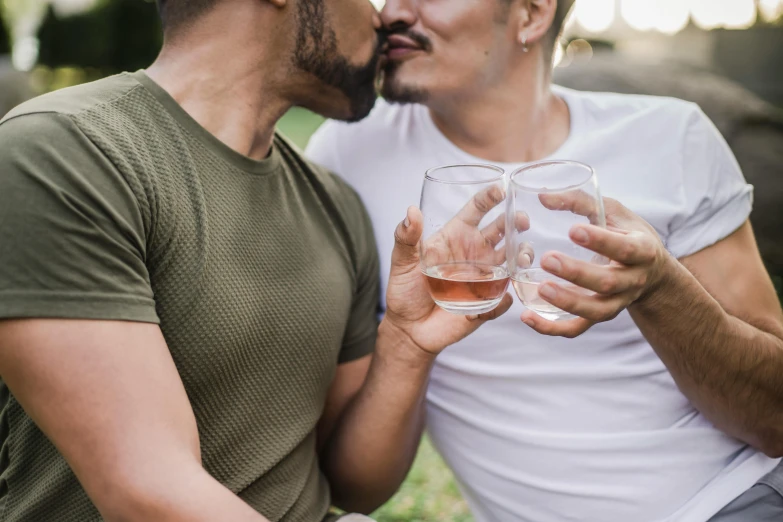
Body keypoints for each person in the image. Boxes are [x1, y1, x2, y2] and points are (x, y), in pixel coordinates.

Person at [0, 1, 513, 521]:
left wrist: (404, 345)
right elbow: (149, 493)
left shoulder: (334, 204)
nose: (383, 16)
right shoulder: (63, 154)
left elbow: (355, 487)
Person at [305, 0, 783, 520]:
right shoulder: (347, 157)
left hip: (734, 500)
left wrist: (661, 288)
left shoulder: (671, 138)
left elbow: (773, 420)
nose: (391, 10)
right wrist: (403, 341)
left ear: (531, 14)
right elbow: (352, 494)